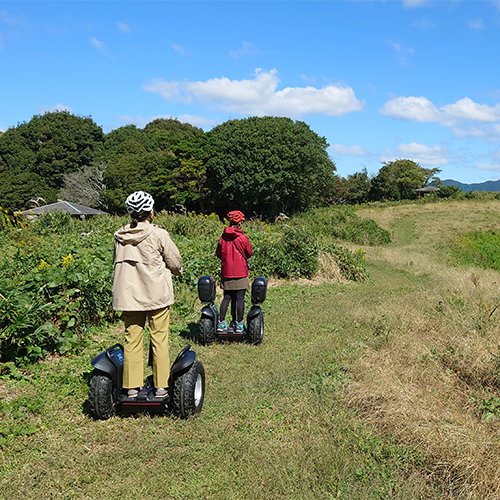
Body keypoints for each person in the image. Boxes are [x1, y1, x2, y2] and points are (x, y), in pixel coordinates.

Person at [112, 191, 183, 398]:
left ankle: (132, 388)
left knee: (132, 340)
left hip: (128, 297)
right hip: (156, 295)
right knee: (159, 338)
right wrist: (178, 271)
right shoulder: (158, 233)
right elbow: (175, 261)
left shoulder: (120, 236)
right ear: (150, 212)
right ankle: (161, 387)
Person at [216, 210, 253, 333]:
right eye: (242, 221)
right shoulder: (243, 237)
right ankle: (239, 325)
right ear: (239, 222)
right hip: (241, 272)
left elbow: (218, 253)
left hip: (226, 272)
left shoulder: (223, 237)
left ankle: (221, 323)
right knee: (240, 298)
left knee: (226, 297)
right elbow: (249, 253)